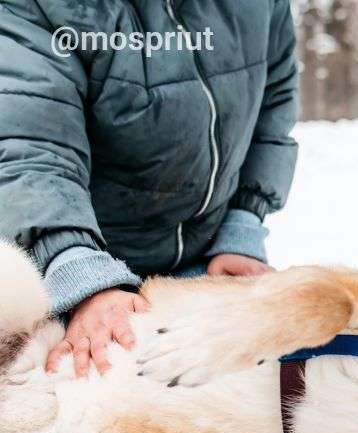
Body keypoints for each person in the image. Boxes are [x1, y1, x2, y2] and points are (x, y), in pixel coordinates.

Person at [0, 1, 298, 377]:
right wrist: (81, 276)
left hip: (207, 259)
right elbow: (28, 149)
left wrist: (241, 224)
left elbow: (274, 102)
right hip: (81, 276)